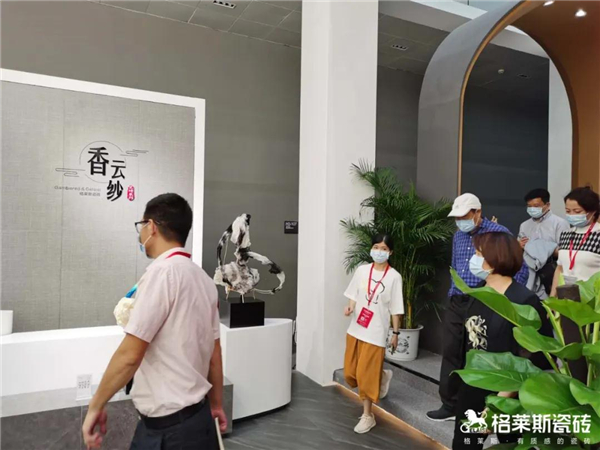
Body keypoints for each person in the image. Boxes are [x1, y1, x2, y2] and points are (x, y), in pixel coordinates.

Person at [82, 193, 227, 449]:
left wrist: (96, 405)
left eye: (141, 226)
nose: (140, 234)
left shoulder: (162, 274)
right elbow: (215, 353)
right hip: (200, 420)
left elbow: (130, 355)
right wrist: (216, 404)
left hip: (168, 432)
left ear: (151, 226)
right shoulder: (204, 280)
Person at [427, 193, 529, 422]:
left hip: (484, 300)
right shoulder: (458, 236)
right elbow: (456, 267)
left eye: (464, 216)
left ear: (478, 213)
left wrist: (502, 296)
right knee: (451, 350)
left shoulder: (499, 234)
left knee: (479, 352)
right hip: (457, 299)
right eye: (457, 218)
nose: (460, 221)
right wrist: (453, 291)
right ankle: (449, 404)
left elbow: (519, 269)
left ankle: (482, 406)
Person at [452, 232, 552, 450]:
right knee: (464, 444)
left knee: (510, 445)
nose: (473, 259)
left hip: (508, 393)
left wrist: (499, 403)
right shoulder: (477, 293)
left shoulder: (524, 300)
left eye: (478, 254)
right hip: (474, 385)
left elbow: (531, 358)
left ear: (495, 258)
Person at [343, 234, 404, 434]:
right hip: (356, 328)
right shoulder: (362, 270)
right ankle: (381, 376)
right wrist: (350, 307)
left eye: (384, 249)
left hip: (376, 332)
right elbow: (354, 294)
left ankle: (368, 416)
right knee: (350, 374)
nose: (379, 251)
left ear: (390, 252)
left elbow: (396, 308)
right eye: (376, 247)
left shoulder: (394, 277)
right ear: (371, 249)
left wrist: (395, 333)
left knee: (365, 376)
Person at [519, 188, 569, 299]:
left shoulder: (560, 223)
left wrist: (544, 248)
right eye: (529, 206)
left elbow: (564, 252)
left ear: (547, 205)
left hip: (551, 272)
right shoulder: (524, 225)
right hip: (529, 273)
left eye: (536, 206)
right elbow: (521, 248)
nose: (532, 209)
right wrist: (520, 246)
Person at [552, 186, 600, 294]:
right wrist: (552, 297)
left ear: (592, 211)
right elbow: (560, 268)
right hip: (566, 297)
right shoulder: (566, 234)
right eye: (568, 211)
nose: (571, 215)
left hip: (592, 297)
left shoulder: (598, 235)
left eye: (577, 211)